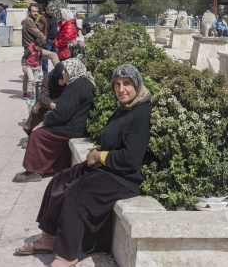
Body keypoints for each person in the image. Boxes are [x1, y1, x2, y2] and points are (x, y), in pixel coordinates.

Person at [15, 64, 152, 266]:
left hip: (123, 177)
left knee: (76, 192)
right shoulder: (125, 108)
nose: (121, 89)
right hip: (108, 167)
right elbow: (110, 136)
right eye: (117, 84)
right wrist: (97, 148)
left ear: (137, 85)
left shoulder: (141, 113)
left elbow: (130, 159)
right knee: (60, 180)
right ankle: (48, 239)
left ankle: (67, 255)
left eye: (127, 84)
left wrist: (100, 156)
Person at [13, 59, 96, 183]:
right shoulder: (84, 82)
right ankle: (55, 167)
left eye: (65, 70)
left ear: (73, 71)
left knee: (37, 134)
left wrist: (43, 123)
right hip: (77, 125)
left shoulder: (76, 86)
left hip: (73, 127)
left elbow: (62, 112)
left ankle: (32, 172)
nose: (63, 73)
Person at [22, 62, 69, 145]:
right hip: (48, 102)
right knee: (36, 109)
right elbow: (43, 95)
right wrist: (48, 104)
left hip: (61, 104)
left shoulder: (68, 82)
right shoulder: (48, 78)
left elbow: (66, 97)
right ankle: (31, 135)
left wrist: (50, 103)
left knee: (46, 109)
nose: (63, 81)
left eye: (64, 79)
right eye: (61, 79)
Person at [22, 4, 60, 97]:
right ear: (29, 12)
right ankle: (61, 73)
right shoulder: (30, 23)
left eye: (37, 11)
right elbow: (40, 35)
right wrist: (43, 38)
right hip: (32, 50)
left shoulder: (32, 21)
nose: (36, 13)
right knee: (53, 55)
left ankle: (26, 92)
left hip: (33, 49)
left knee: (28, 71)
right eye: (33, 11)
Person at [38, 3, 60, 75]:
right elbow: (39, 29)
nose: (52, 12)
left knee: (56, 57)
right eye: (51, 10)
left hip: (55, 41)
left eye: (53, 10)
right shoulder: (42, 18)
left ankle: (57, 74)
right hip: (47, 41)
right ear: (46, 9)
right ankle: (45, 75)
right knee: (45, 59)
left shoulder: (53, 18)